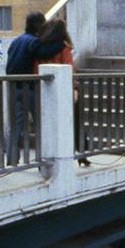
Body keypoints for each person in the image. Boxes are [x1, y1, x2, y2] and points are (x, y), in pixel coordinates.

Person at [4, 12, 66, 165]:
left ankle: (12, 160)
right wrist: (61, 44)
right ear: (38, 25)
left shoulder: (17, 40)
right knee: (40, 124)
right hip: (28, 87)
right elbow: (43, 53)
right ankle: (42, 159)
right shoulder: (33, 41)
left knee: (15, 125)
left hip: (12, 86)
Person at [34, 18, 89, 167]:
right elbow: (69, 69)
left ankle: (46, 157)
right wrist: (75, 89)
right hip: (63, 93)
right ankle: (82, 153)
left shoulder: (40, 48)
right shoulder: (64, 49)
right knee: (75, 123)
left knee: (48, 127)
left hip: (44, 93)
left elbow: (35, 70)